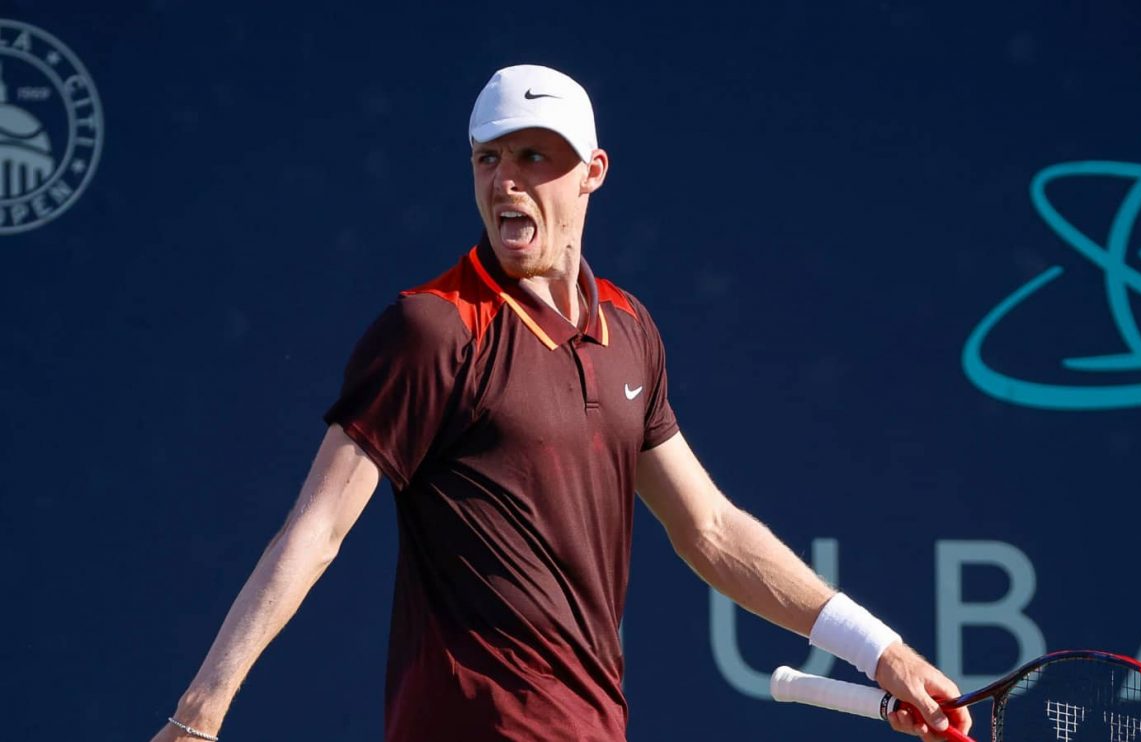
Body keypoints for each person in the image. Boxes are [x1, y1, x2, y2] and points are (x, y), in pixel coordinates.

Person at [151, 64, 972, 742]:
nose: (507, 181)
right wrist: (198, 717)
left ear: (592, 173)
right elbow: (315, 530)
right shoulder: (433, 329)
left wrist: (882, 652)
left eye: (536, 157)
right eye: (489, 158)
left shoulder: (629, 330)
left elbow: (712, 530)